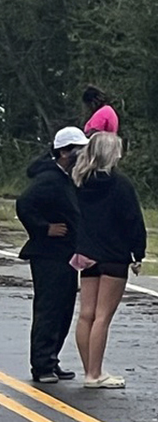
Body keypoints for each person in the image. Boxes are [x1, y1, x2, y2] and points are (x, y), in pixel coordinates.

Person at [71, 130, 145, 390]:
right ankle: (95, 373)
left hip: (87, 254)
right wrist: (138, 253)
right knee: (103, 316)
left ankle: (88, 369)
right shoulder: (120, 184)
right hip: (114, 256)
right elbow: (133, 221)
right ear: (113, 154)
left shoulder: (80, 182)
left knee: (86, 315)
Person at [17, 126, 87, 383]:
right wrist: (45, 228)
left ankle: (52, 359)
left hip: (65, 254)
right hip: (48, 254)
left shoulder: (65, 178)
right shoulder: (48, 179)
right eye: (79, 150)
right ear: (65, 153)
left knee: (64, 308)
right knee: (49, 308)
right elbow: (24, 204)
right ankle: (42, 365)